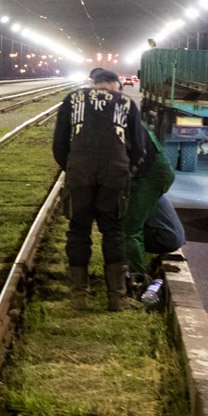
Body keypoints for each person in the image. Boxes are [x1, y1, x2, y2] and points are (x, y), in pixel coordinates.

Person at [53, 70, 147, 311]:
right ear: (115, 84)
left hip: (80, 171)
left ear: (94, 84)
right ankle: (117, 297)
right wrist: (126, 168)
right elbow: (138, 146)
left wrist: (71, 166)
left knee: (78, 230)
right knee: (114, 231)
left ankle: (79, 297)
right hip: (114, 173)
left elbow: (59, 143)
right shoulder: (126, 103)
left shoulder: (72, 99)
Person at [120, 122, 176, 282]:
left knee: (129, 229)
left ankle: (137, 279)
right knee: (132, 222)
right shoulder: (125, 113)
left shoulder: (116, 120)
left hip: (149, 176)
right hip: (153, 173)